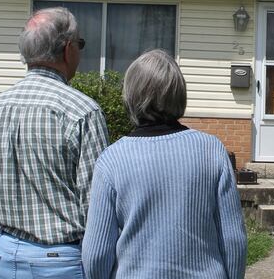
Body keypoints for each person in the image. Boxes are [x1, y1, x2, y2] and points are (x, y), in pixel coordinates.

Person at [0, 7, 110, 279]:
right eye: (80, 44)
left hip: (2, 258)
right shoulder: (83, 112)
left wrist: (1, 242)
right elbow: (96, 205)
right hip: (61, 263)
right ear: (67, 49)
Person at [83, 49, 247, 279]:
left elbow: (97, 254)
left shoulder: (112, 160)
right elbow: (233, 239)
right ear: (179, 92)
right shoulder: (211, 150)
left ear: (130, 96)